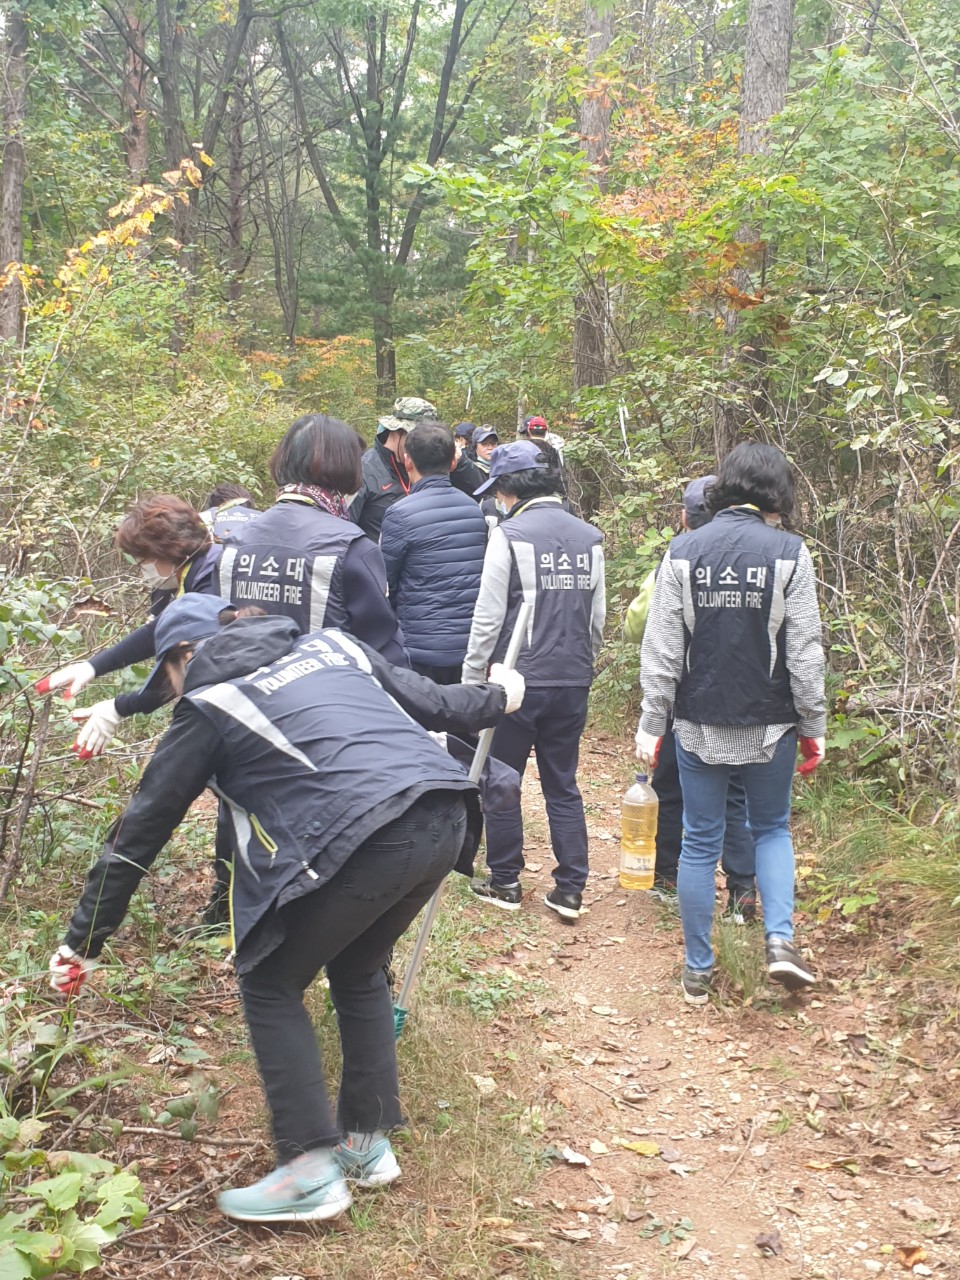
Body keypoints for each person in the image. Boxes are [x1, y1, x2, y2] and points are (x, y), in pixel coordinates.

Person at [48, 594, 525, 1223]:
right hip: (445, 812)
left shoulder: (210, 704)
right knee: (358, 966)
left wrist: (81, 942)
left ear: (186, 656)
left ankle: (307, 1173)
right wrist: (502, 694)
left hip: (371, 835)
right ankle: (365, 1143)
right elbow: (436, 702)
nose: (169, 690)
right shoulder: (331, 645)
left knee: (269, 980)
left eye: (166, 674)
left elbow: (139, 831)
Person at [635, 442, 826, 1005]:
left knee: (699, 840)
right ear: (776, 491)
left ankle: (697, 971)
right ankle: (780, 941)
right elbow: (805, 652)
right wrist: (813, 724)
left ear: (725, 485)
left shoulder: (683, 549)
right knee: (771, 829)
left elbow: (662, 649)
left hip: (697, 719)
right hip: (772, 723)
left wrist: (652, 723)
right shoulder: (790, 552)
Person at [463, 441, 605, 921]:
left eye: (498, 490)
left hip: (515, 681)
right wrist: (581, 664)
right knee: (562, 783)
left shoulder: (509, 535)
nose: (498, 499)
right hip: (572, 677)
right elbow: (597, 619)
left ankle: (505, 880)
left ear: (510, 488)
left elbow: (487, 619)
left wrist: (471, 685)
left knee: (502, 778)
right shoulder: (590, 537)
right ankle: (571, 888)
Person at [625, 476, 758, 919]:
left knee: (669, 784)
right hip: (743, 695)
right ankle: (742, 891)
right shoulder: (755, 554)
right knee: (736, 793)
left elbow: (639, 625)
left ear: (684, 517)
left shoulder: (678, 555)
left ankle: (665, 875)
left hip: (683, 695)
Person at [216, 414, 406, 666]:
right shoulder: (353, 548)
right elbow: (383, 652)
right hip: (329, 686)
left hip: (245, 686)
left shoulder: (233, 543)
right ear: (349, 467)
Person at [36, 495, 221, 755]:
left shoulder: (211, 583)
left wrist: (118, 707)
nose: (143, 570)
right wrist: (93, 667)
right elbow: (162, 630)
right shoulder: (203, 570)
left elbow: (192, 669)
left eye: (142, 561)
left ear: (164, 551)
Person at [379, 422, 488, 684]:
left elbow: (385, 585)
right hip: (470, 649)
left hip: (419, 651)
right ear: (453, 462)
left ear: (407, 461)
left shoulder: (399, 514)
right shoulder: (474, 510)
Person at [349, 397, 483, 539]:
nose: (422, 444)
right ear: (396, 430)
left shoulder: (431, 460)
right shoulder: (363, 470)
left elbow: (480, 493)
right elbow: (344, 529)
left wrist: (460, 463)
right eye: (417, 437)